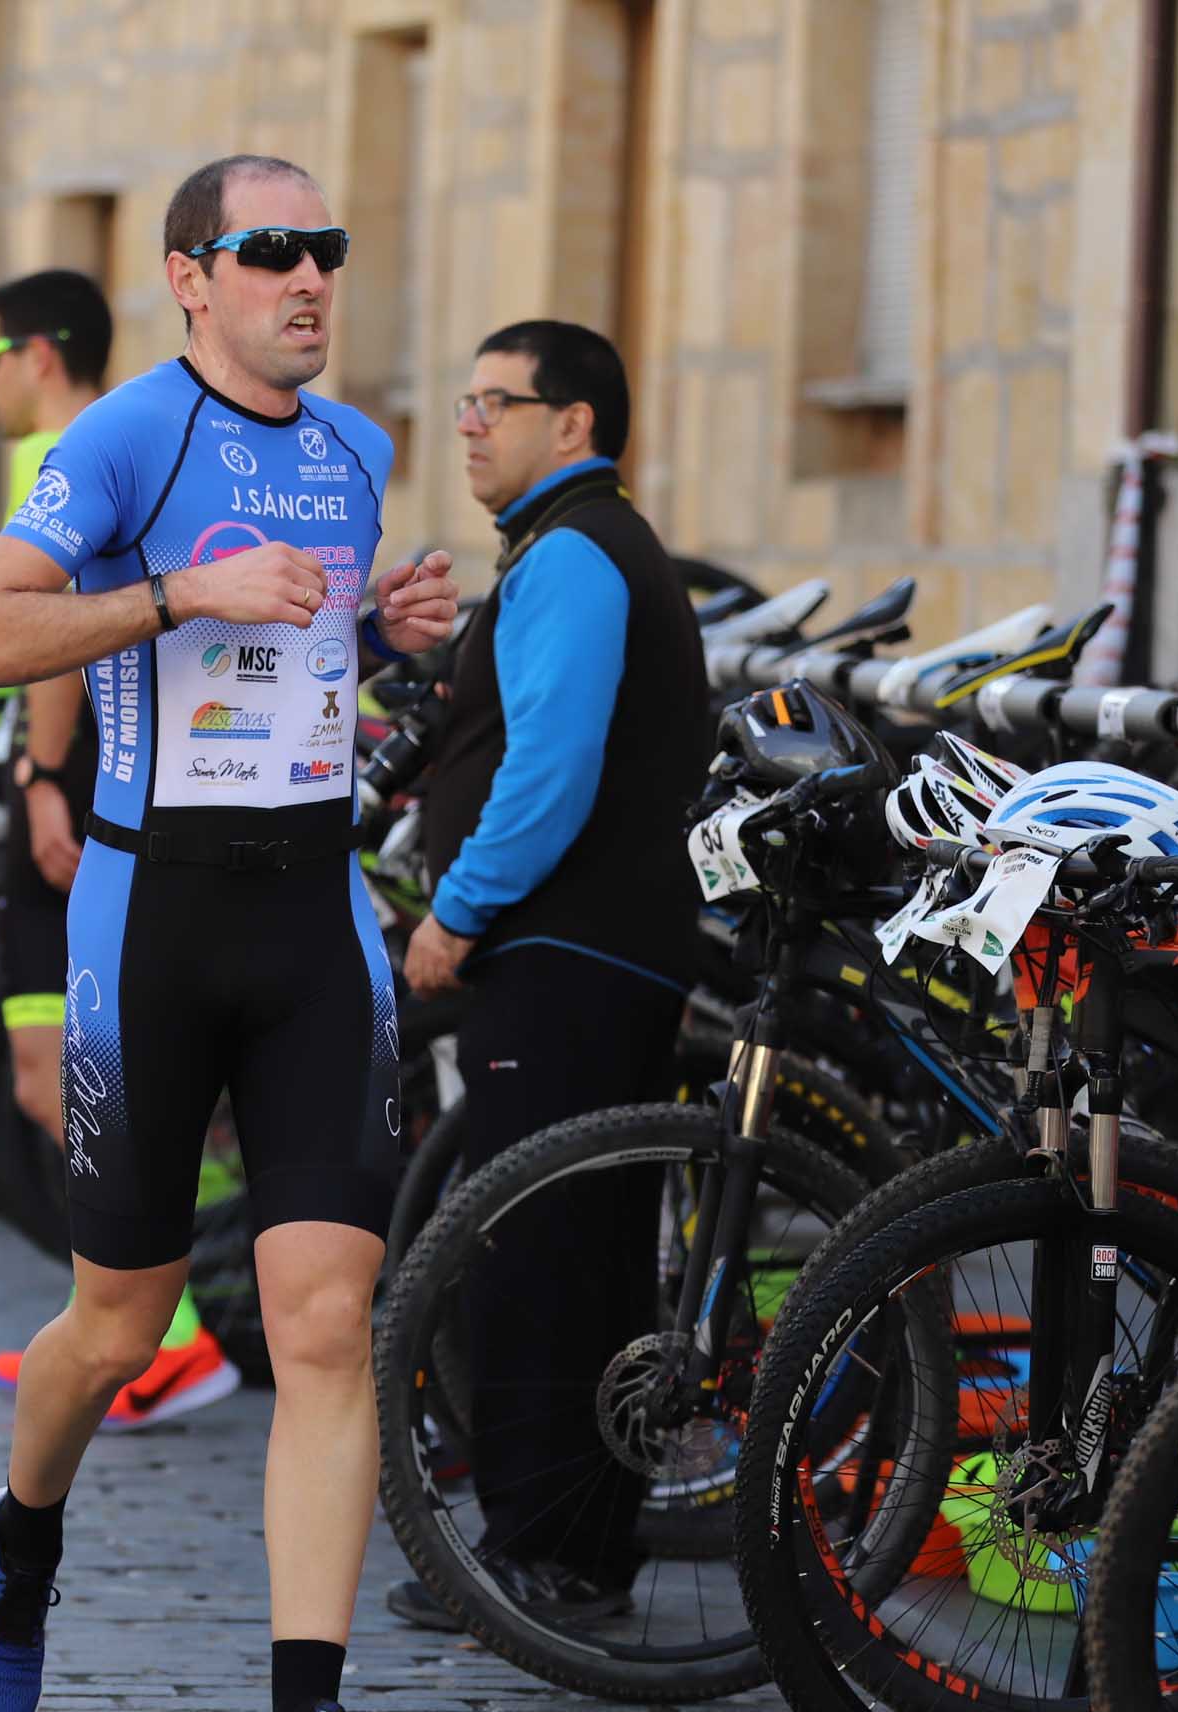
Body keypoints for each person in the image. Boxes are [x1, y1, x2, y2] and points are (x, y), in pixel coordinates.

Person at [0, 152, 460, 1712]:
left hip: (316, 916)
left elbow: (304, 662)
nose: (309, 276)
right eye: (270, 251)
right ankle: (21, 1540)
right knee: (119, 1317)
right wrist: (178, 591)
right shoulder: (122, 441)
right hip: (143, 915)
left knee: (323, 1322)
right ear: (188, 276)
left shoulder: (361, 453)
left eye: (327, 247)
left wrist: (378, 630)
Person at [387, 321, 711, 1629]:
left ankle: (548, 1555)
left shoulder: (576, 555)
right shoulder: (565, 548)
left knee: (545, 1253)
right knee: (563, 1246)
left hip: (569, 948)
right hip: (595, 947)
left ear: (571, 424)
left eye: (495, 403)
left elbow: (549, 771)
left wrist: (456, 916)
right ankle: (561, 1541)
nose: (468, 425)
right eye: (461, 402)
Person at [0, 268, 239, 1430]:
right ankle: (170, 1301)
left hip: (82, 796)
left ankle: (164, 1329)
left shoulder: (75, 456)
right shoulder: (111, 440)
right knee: (79, 1074)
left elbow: (52, 646)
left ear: (38, 353)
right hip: (107, 791)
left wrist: (39, 782)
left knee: (61, 1075)